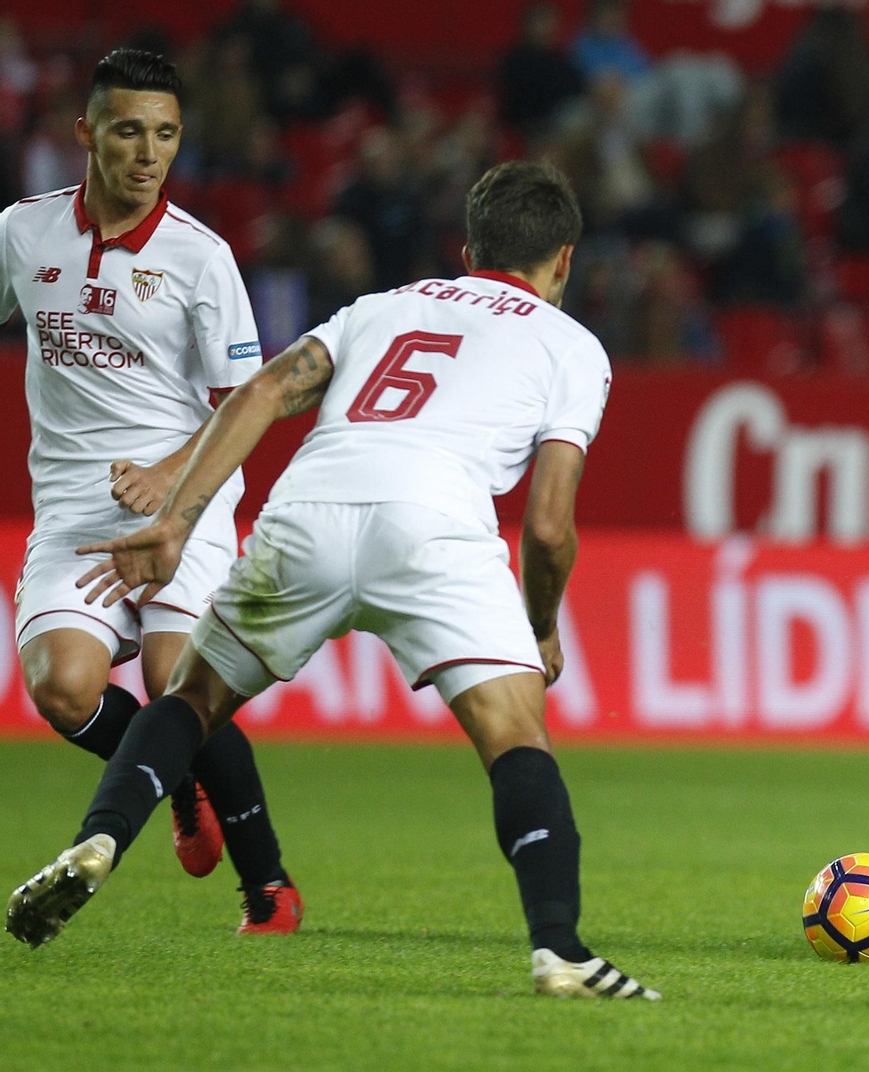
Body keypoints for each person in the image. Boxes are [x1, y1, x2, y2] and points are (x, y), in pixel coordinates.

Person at [5, 161, 659, 1001]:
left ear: (467, 248)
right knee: (515, 742)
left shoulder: (387, 306)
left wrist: (176, 518)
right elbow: (547, 524)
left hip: (308, 508)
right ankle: (560, 951)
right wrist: (540, 626)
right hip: (433, 527)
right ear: (564, 261)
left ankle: (99, 839)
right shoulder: (572, 345)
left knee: (190, 703)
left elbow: (267, 390)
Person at [0, 48, 299, 934]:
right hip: (76, 514)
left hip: (187, 504)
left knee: (179, 683)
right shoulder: (22, 232)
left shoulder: (202, 260)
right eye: (129, 131)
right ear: (87, 133)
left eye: (165, 135)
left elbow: (250, 405)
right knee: (62, 690)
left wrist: (172, 478)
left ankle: (269, 892)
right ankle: (175, 777)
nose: (148, 153)